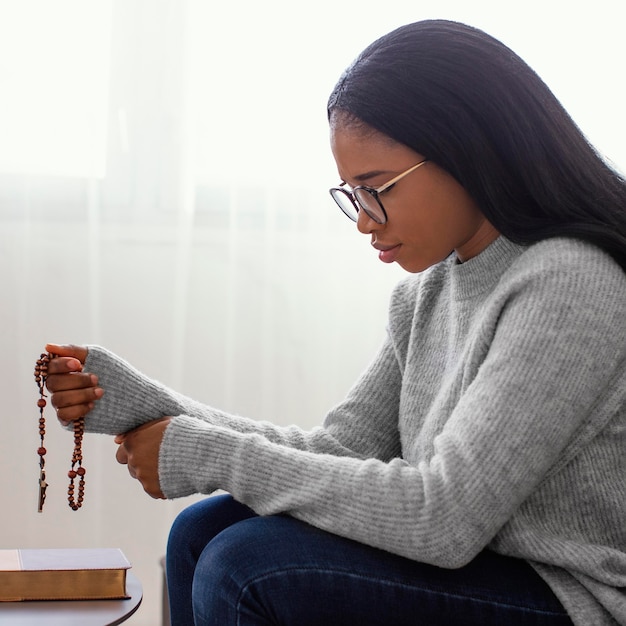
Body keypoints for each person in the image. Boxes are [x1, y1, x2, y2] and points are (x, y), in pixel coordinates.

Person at [44, 19, 625, 626]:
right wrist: (148, 405)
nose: (363, 221)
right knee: (202, 531)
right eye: (350, 193)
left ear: (466, 149)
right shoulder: (426, 294)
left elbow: (441, 517)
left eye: (376, 188)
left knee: (246, 565)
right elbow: (339, 451)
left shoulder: (568, 280)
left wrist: (207, 453)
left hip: (571, 599)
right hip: (482, 570)